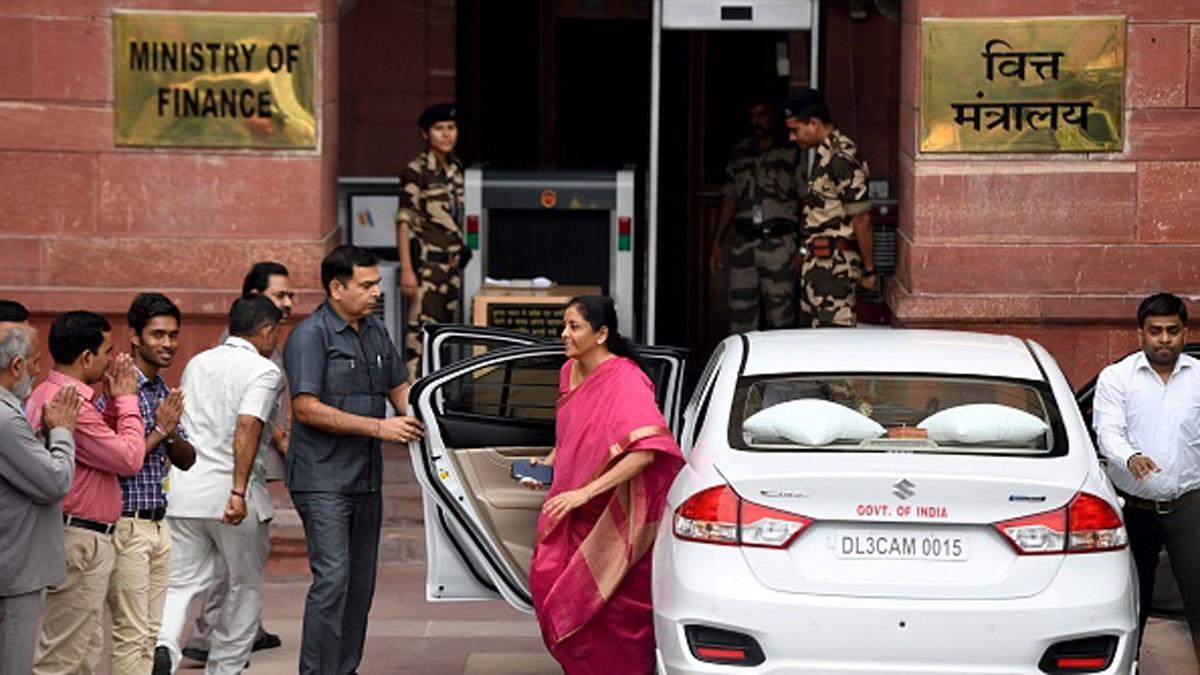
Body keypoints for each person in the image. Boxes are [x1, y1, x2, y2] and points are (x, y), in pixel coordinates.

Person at [283, 245, 425, 674]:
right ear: (336, 288)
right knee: (333, 580)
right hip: (321, 478)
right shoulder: (310, 336)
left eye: (377, 283)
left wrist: (426, 418)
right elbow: (305, 407)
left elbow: (399, 389)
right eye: (366, 285)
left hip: (365, 479)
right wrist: (379, 428)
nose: (376, 293)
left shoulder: (376, 332)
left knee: (360, 586)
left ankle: (345, 669)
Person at [527, 295, 685, 674]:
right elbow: (573, 434)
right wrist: (548, 464)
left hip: (611, 517)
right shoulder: (569, 371)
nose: (564, 334)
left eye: (574, 326)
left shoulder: (625, 379)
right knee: (550, 588)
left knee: (610, 620)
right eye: (563, 325)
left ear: (601, 334)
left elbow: (645, 453)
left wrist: (583, 493)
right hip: (569, 511)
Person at [153, 296, 285, 675]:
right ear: (266, 331)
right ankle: (224, 668)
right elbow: (248, 424)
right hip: (233, 499)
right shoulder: (263, 370)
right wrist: (239, 491)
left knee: (180, 583)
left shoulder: (197, 363)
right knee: (244, 588)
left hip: (185, 493)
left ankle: (164, 645)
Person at [183, 262, 293, 663]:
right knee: (230, 568)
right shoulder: (236, 350)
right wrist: (240, 486)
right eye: (279, 295)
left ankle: (247, 631)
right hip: (230, 474)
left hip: (243, 470)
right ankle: (207, 638)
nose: (287, 304)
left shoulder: (261, 343)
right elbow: (243, 419)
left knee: (241, 564)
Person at [25, 311, 145, 674]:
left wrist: (109, 410)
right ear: (86, 358)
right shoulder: (69, 401)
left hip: (76, 535)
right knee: (62, 657)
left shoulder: (48, 393)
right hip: (79, 539)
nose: (112, 360)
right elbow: (129, 458)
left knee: (83, 654)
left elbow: (97, 454)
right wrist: (127, 402)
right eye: (107, 352)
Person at [1093, 292, 1200, 662]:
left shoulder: (1199, 378)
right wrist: (1130, 456)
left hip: (1190, 508)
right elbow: (1107, 433)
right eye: (1156, 331)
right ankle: (1131, 666)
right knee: (1131, 603)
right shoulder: (1116, 378)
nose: (1164, 339)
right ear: (1141, 333)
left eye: (1172, 331)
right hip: (1134, 510)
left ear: (1185, 333)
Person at [106, 293, 197, 673]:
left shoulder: (164, 391)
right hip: (127, 523)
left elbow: (188, 459)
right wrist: (161, 429)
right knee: (131, 632)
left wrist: (171, 432)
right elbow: (122, 462)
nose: (168, 344)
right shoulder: (118, 391)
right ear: (135, 336)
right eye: (158, 334)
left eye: (173, 335)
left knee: (151, 634)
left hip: (160, 523)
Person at [0, 322, 78, 675]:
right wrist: (62, 431)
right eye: (34, 362)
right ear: (16, 365)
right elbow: (54, 480)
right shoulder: (4, 418)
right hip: (13, 568)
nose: (38, 370)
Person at [783, 88, 876, 327]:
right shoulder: (824, 154)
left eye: (795, 130)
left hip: (834, 271)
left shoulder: (840, 157)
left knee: (833, 347)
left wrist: (869, 270)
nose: (792, 138)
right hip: (818, 268)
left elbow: (861, 218)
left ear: (814, 123)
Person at [710, 96, 802, 333]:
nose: (756, 121)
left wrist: (802, 249)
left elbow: (807, 201)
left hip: (780, 244)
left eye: (762, 115)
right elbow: (729, 199)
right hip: (744, 244)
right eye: (752, 116)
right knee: (740, 317)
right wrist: (717, 243)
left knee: (781, 319)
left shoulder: (790, 152)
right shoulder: (740, 152)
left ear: (773, 117)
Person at [396, 102, 466, 377]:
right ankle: (413, 404)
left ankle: (440, 399)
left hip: (453, 267)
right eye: (439, 129)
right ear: (426, 134)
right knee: (420, 338)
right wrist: (407, 270)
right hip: (428, 268)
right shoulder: (416, 171)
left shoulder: (457, 169)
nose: (446, 134)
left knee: (446, 338)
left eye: (451, 128)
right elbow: (404, 221)